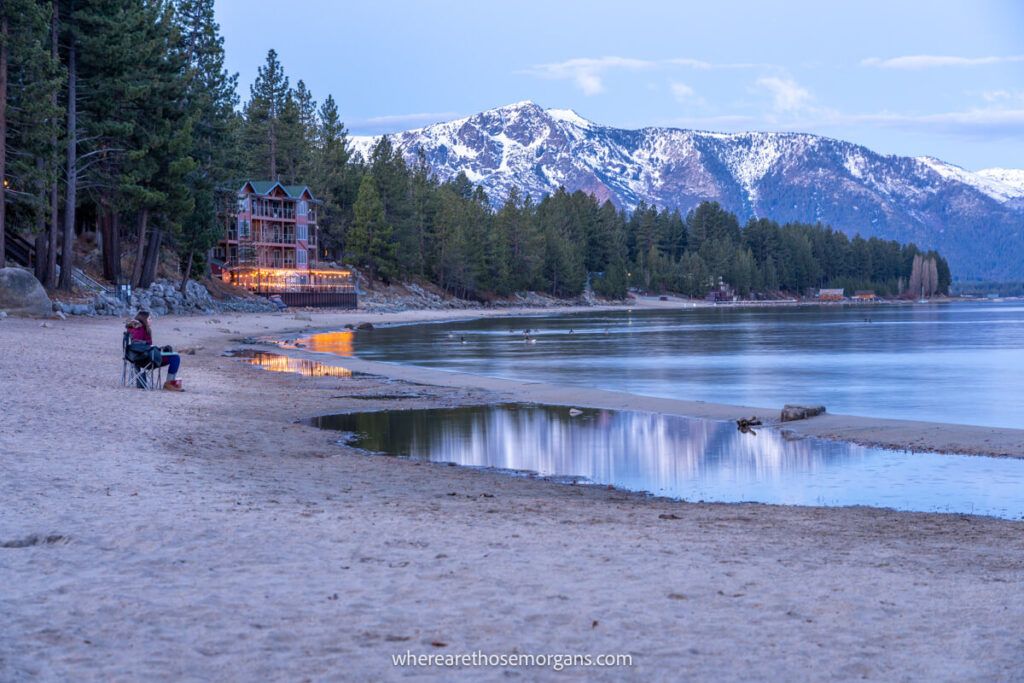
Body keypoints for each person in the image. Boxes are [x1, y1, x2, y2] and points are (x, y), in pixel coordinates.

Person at [126, 310, 183, 391]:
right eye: (149, 319)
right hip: (146, 359)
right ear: (143, 320)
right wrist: (155, 349)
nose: (151, 320)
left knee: (170, 354)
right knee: (175, 357)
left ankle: (170, 383)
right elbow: (139, 346)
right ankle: (169, 383)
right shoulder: (140, 329)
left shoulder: (137, 329)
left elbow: (144, 346)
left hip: (142, 357)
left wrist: (159, 349)